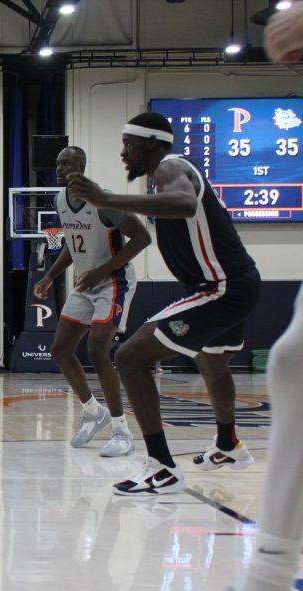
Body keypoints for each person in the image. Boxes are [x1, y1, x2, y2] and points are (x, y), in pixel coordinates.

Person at [134, 5, 303, 591]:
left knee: (289, 362)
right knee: (289, 361)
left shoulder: (178, 169)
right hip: (224, 285)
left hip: (232, 283)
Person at [68, 112, 260, 496]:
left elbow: (186, 204)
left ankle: (163, 467)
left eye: (128, 144)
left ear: (150, 144)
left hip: (220, 287)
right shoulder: (163, 179)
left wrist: (106, 198)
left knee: (130, 357)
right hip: (233, 284)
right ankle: (229, 445)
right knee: (212, 362)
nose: (123, 153)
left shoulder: (172, 168)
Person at [35, 146, 151, 458]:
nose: (60, 167)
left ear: (82, 166)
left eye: (67, 162)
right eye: (58, 163)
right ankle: (92, 411)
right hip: (86, 281)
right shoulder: (61, 200)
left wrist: (101, 271)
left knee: (97, 348)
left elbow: (142, 239)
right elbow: (73, 247)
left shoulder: (103, 200)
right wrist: (49, 277)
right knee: (60, 350)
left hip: (114, 280)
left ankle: (121, 430)